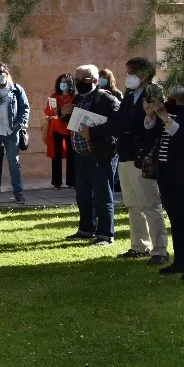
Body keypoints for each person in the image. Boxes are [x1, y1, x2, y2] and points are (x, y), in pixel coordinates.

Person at [108, 57, 168, 264]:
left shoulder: (153, 92)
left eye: (131, 72)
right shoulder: (129, 93)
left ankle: (160, 250)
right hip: (125, 153)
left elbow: (154, 123)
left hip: (142, 154)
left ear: (143, 74)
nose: (128, 76)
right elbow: (122, 120)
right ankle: (139, 246)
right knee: (132, 203)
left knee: (149, 203)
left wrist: (128, 127)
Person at [61, 65, 121, 246]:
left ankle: (105, 234)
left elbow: (117, 124)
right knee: (83, 195)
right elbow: (75, 121)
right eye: (76, 79)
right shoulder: (79, 98)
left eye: (83, 80)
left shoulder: (106, 99)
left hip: (99, 155)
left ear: (95, 81)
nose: (78, 83)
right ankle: (86, 229)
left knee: (102, 196)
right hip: (80, 155)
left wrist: (92, 132)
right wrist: (63, 113)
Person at [145, 82, 184, 276]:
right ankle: (180, 261)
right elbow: (152, 133)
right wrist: (150, 114)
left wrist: (164, 117)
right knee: (176, 218)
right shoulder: (169, 107)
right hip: (166, 171)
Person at [0, 61, 30, 204]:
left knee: (14, 163)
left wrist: (19, 125)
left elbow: (25, 108)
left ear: (6, 73)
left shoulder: (16, 89)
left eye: (0, 72)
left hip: (11, 132)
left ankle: (18, 192)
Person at [45, 73, 76, 189]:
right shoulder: (54, 96)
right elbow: (48, 111)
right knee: (56, 156)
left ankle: (71, 181)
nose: (63, 85)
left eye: (66, 82)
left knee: (71, 156)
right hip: (56, 129)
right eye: (62, 82)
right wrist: (59, 111)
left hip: (71, 129)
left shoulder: (74, 97)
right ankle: (56, 182)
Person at [99, 68, 123, 191]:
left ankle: (113, 184)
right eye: (100, 77)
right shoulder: (96, 93)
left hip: (112, 132)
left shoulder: (116, 94)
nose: (101, 80)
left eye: (104, 78)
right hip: (99, 131)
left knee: (113, 162)